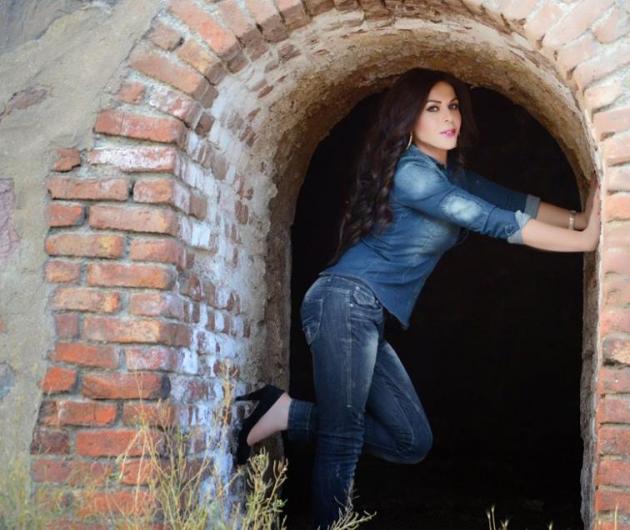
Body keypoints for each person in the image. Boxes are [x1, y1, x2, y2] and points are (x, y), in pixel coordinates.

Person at [233, 67, 601, 529]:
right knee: (342, 440)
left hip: (364, 314)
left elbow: (514, 204)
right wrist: (585, 242)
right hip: (344, 302)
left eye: (453, 107)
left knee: (410, 440)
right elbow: (492, 221)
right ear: (409, 119)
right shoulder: (413, 173)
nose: (449, 117)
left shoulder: (449, 176)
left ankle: (286, 412)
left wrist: (582, 218)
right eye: (433, 108)